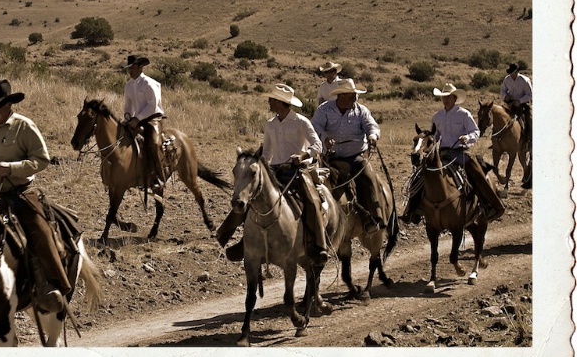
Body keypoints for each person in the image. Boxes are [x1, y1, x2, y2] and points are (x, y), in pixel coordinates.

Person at [0, 78, 71, 313]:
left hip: (19, 193)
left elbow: (42, 159)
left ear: (8, 106)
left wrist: (13, 168)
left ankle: (52, 283)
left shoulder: (24, 127)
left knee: (38, 228)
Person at [216, 83, 328, 263]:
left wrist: (302, 155)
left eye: (272, 100)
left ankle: (318, 245)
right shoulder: (270, 124)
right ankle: (238, 240)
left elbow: (317, 145)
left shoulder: (301, 121)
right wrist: (257, 162)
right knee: (249, 197)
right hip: (274, 171)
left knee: (312, 200)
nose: (269, 102)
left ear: (280, 102)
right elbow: (267, 153)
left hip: (296, 171)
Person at [400, 83, 506, 224]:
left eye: (448, 97)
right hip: (442, 153)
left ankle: (492, 206)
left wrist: (467, 138)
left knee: (476, 173)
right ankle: (412, 210)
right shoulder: (437, 117)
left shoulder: (464, 114)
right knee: (420, 174)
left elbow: (475, 131)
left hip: (460, 152)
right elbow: (434, 137)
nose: (446, 100)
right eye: (444, 97)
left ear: (455, 98)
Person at [312, 78, 385, 234]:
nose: (355, 98)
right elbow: (315, 127)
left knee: (368, 177)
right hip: (332, 158)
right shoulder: (324, 110)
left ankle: (376, 216)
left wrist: (372, 135)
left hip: (356, 156)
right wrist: (324, 138)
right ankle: (318, 221)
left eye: (355, 95)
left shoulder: (361, 110)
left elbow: (371, 125)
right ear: (341, 96)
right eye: (352, 95)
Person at [123, 54, 167, 190]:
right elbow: (128, 106)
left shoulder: (149, 83)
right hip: (137, 119)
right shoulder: (128, 86)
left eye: (133, 67)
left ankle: (159, 178)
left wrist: (137, 118)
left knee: (153, 143)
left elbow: (152, 105)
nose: (131, 71)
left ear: (141, 68)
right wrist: (127, 119)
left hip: (153, 117)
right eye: (129, 68)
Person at [500, 63, 532, 145]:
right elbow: (503, 90)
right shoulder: (507, 79)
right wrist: (505, 96)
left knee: (530, 121)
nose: (511, 75)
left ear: (517, 72)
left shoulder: (525, 80)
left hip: (523, 105)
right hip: (510, 104)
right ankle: (497, 139)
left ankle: (531, 141)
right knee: (499, 117)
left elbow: (530, 94)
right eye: (510, 73)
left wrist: (520, 101)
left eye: (513, 73)